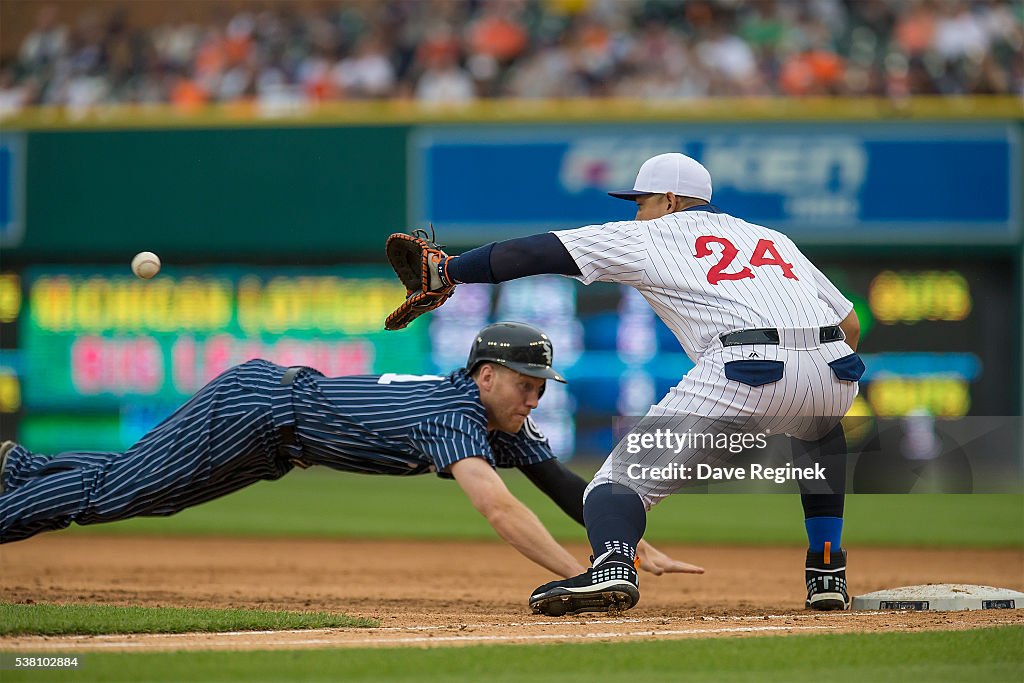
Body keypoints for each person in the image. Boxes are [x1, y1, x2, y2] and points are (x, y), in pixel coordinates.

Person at [419, 153, 863, 615]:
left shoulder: (648, 235)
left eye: (642, 201)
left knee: (614, 486)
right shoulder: (772, 238)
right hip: (836, 364)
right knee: (819, 428)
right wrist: (816, 379)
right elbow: (848, 322)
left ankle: (613, 566)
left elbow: (534, 252)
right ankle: (826, 572)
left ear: (669, 200)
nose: (637, 212)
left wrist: (447, 271)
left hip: (748, 366)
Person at [0, 321, 698, 583]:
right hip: (261, 411)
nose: (535, 397)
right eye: (525, 382)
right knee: (117, 494)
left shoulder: (498, 418)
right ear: (486, 374)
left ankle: (20, 471)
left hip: (271, 433)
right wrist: (581, 571)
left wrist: (620, 544)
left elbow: (556, 482)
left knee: (135, 487)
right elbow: (497, 506)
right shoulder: (456, 411)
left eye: (542, 385)